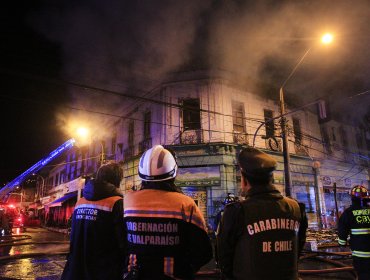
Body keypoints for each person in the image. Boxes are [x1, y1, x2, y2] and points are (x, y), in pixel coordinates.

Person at [123, 145, 213, 279]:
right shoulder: (186, 204)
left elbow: (118, 243)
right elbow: (203, 252)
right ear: (174, 172)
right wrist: (184, 269)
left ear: (141, 175)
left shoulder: (126, 201)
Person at [217, 147, 308, 280]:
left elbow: (224, 259)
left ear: (244, 180)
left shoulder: (237, 211)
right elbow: (297, 249)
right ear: (271, 179)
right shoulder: (296, 208)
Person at [61, 162, 125, 280]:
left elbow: (73, 237)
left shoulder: (80, 202)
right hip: (104, 273)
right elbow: (122, 243)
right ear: (117, 181)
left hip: (75, 271)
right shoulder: (117, 203)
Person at [338, 185, 370, 280]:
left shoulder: (348, 213)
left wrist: (342, 244)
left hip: (360, 254)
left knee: (364, 275)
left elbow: (342, 230)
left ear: (352, 198)